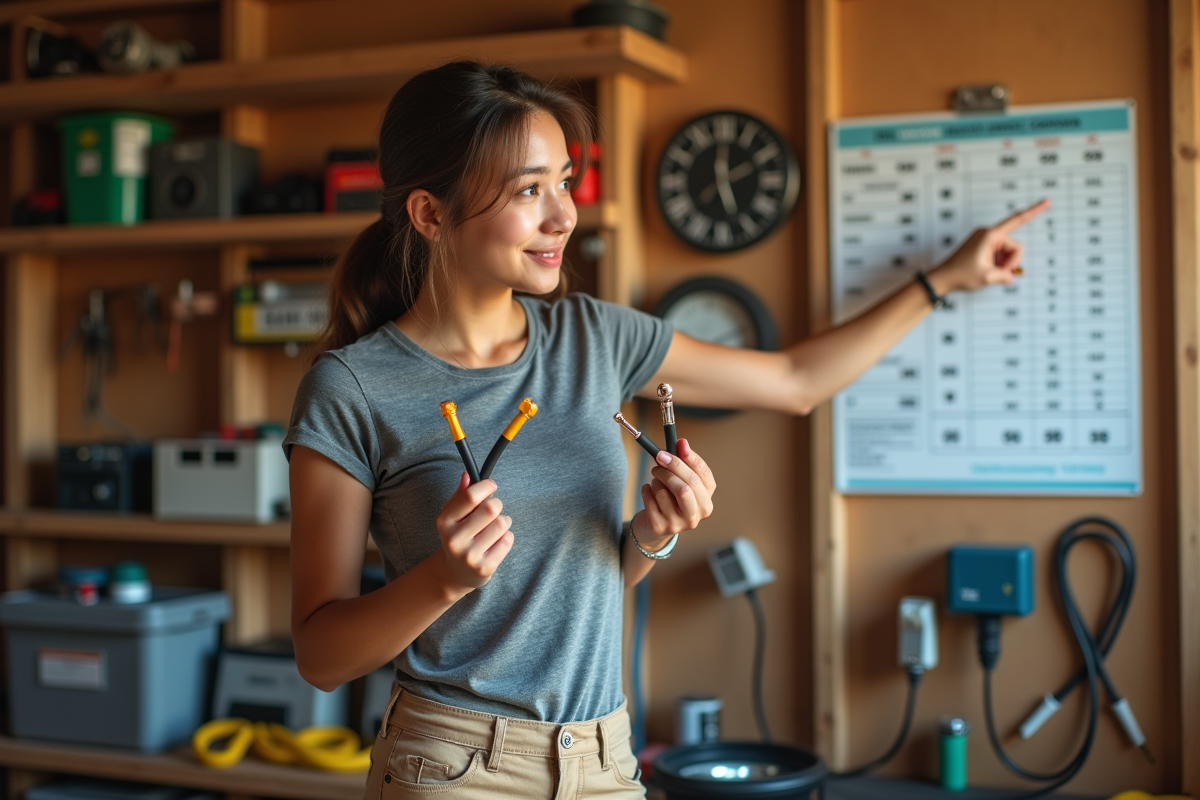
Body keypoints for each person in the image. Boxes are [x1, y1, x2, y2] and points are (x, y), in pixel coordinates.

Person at [285, 61, 1045, 799]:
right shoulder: (353, 388)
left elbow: (795, 383)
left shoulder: (595, 338)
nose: (562, 215)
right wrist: (442, 580)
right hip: (452, 766)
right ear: (430, 213)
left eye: (562, 182)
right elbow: (321, 655)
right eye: (528, 191)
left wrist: (945, 279)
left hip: (604, 758)